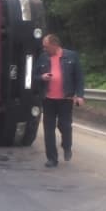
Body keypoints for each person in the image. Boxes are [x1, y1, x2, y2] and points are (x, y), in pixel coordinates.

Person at [36, 34, 85, 167]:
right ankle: (52, 158)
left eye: (46, 46)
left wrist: (80, 95)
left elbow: (79, 77)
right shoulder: (43, 57)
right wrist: (42, 77)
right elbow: (34, 75)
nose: (44, 49)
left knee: (65, 125)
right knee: (48, 129)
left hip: (66, 98)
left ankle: (67, 146)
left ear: (54, 45)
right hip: (48, 99)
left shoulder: (71, 56)